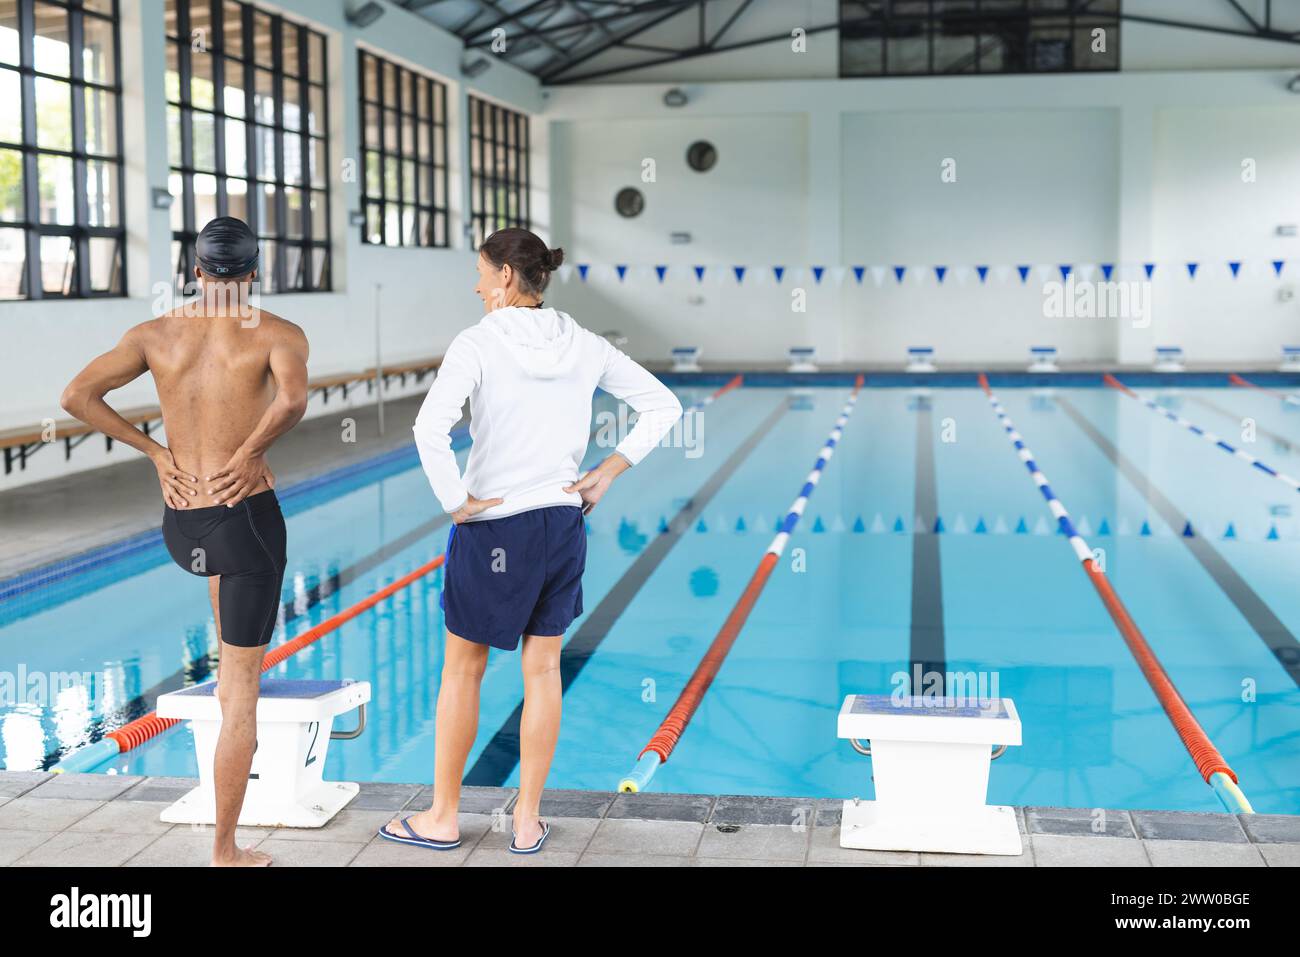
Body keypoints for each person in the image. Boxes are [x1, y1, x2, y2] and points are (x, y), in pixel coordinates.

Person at [381, 227, 682, 854]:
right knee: (543, 671)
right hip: (561, 522)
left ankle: (442, 817)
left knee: (462, 672)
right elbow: (663, 406)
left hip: (495, 524)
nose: (475, 284)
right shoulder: (585, 342)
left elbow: (428, 428)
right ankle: (526, 821)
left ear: (507, 278)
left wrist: (454, 501)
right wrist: (610, 469)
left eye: (481, 272)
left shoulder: (479, 342)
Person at [60, 217, 309, 867]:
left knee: (231, 672)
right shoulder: (277, 333)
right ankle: (226, 849)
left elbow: (76, 395)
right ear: (253, 272)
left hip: (185, 521)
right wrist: (254, 450)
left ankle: (226, 783)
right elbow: (294, 400)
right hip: (245, 515)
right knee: (244, 687)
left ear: (195, 271)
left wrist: (153, 451)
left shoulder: (154, 334)